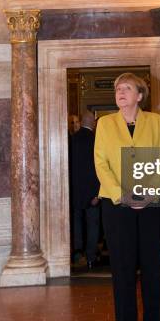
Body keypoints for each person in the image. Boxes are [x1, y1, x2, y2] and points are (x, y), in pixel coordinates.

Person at [94, 73, 160, 321]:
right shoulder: (105, 123)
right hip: (117, 207)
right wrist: (120, 194)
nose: (120, 92)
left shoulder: (155, 121)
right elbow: (101, 163)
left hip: (152, 206)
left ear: (140, 95)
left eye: (127, 88)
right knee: (123, 273)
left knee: (152, 270)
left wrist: (150, 193)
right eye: (117, 89)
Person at [69, 110, 100, 269]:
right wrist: (97, 193)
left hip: (74, 191)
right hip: (92, 192)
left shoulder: (72, 140)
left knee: (77, 222)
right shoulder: (96, 141)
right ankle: (90, 257)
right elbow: (99, 169)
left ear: (81, 122)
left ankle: (77, 253)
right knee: (92, 224)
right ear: (93, 123)